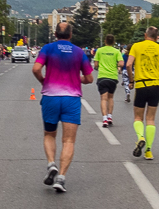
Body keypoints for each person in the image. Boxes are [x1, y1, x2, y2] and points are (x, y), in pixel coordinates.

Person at [33, 21, 93, 192]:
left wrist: (44, 81)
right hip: (71, 100)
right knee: (68, 140)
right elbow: (89, 79)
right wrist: (76, 79)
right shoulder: (79, 52)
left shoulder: (48, 48)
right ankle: (61, 178)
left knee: (49, 134)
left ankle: (51, 163)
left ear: (55, 34)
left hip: (51, 97)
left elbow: (36, 69)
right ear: (71, 34)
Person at [127, 26, 159, 160]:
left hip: (141, 84)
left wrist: (131, 79)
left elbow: (128, 65)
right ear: (157, 37)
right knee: (150, 119)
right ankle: (149, 151)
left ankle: (140, 137)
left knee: (138, 117)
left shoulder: (136, 46)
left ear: (145, 35)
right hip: (155, 85)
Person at [93, 34, 124, 128]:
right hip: (113, 78)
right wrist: (116, 66)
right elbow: (121, 63)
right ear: (114, 42)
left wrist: (99, 66)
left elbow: (96, 64)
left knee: (103, 98)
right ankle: (110, 116)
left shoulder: (100, 50)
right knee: (110, 98)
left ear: (105, 41)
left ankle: (104, 118)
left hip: (102, 77)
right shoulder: (116, 51)